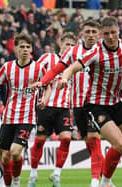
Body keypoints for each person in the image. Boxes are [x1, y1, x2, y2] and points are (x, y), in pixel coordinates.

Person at [58, 16, 122, 187]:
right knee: (119, 143)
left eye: (113, 32)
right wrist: (64, 78)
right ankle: (104, 182)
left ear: (118, 32)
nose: (111, 37)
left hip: (115, 103)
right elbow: (72, 67)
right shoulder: (95, 52)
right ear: (102, 35)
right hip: (95, 105)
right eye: (106, 34)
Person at [33, 19, 105, 187]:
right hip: (78, 106)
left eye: (94, 32)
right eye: (87, 32)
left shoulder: (102, 52)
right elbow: (56, 69)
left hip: (96, 103)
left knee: (95, 141)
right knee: (90, 144)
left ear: (99, 34)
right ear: (82, 33)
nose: (91, 35)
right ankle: (105, 181)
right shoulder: (73, 52)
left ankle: (96, 182)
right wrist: (43, 82)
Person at [0, 33, 51, 187]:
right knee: (4, 156)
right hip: (8, 117)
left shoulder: (38, 68)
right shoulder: (8, 67)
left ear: (31, 49)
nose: (26, 49)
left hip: (27, 118)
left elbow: (48, 85)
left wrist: (45, 99)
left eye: (28, 47)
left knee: (14, 152)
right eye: (22, 47)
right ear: (16, 49)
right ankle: (7, 184)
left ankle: (15, 181)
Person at [27, 32, 77, 187]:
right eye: (66, 44)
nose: (69, 47)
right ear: (60, 43)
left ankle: (56, 174)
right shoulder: (48, 58)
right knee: (40, 140)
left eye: (71, 44)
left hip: (63, 108)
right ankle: (33, 174)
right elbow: (35, 73)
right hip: (45, 106)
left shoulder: (76, 63)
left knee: (67, 138)